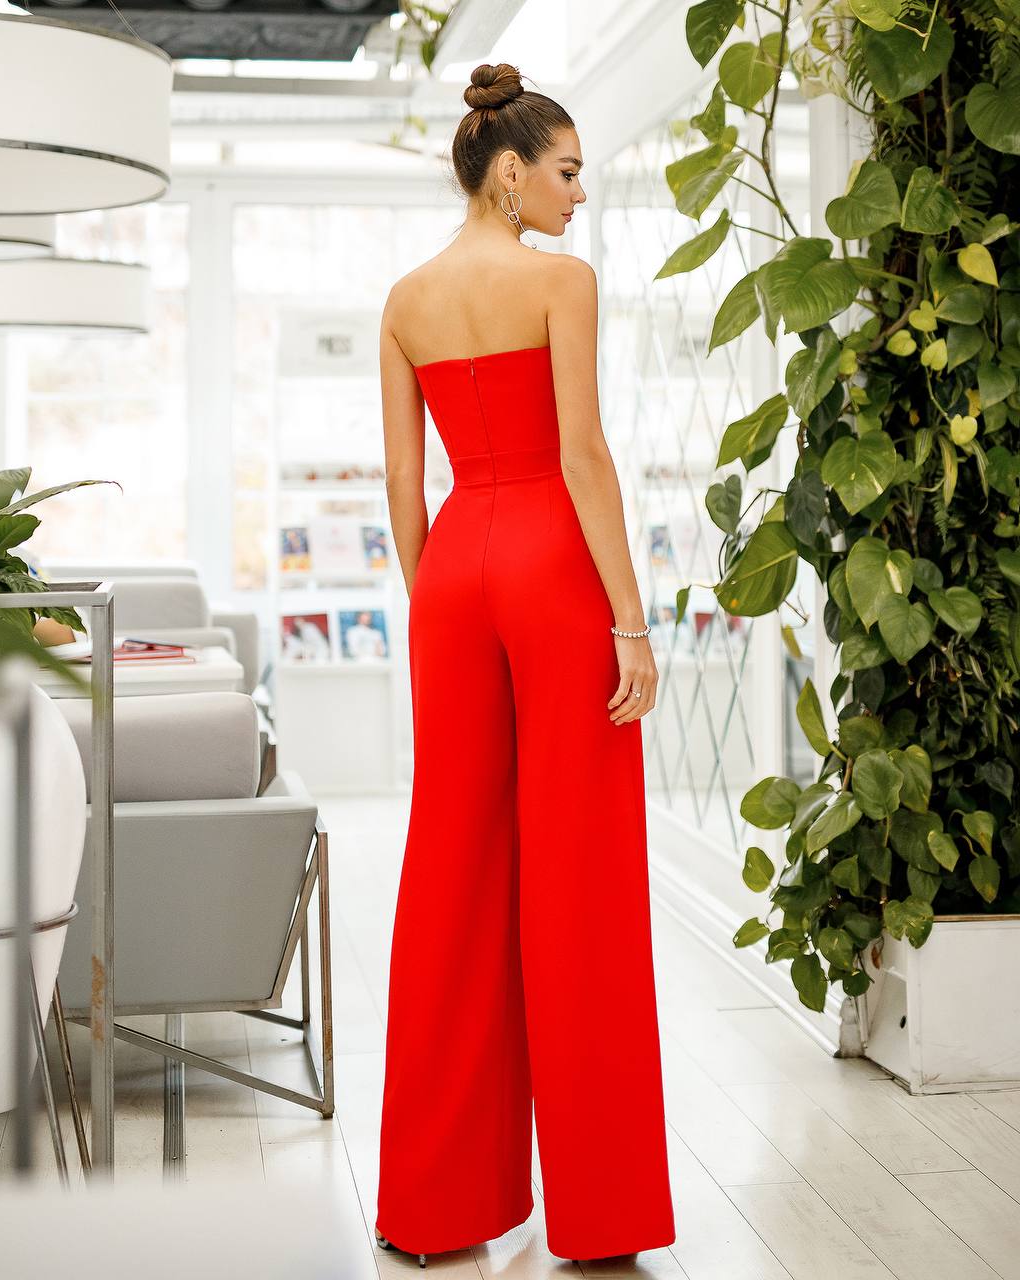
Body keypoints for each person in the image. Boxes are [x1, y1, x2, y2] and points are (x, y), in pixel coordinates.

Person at [374, 61, 676, 1268]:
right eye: (566, 172)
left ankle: (430, 1210)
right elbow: (583, 454)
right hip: (551, 563)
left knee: (449, 869)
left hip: (453, 569)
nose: (577, 194)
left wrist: (436, 601)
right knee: (579, 874)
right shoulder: (559, 282)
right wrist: (631, 621)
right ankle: (601, 1220)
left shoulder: (404, 300)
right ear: (509, 171)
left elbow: (404, 480)